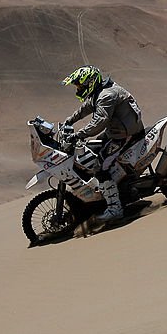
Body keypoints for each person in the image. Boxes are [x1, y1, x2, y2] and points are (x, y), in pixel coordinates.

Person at [61, 66, 144, 222]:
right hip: (116, 130)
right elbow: (86, 107)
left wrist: (78, 134)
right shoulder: (99, 91)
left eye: (80, 85)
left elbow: (99, 122)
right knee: (91, 148)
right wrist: (70, 120)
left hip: (125, 134)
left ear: (90, 82)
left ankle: (115, 209)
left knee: (100, 166)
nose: (78, 89)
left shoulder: (106, 95)